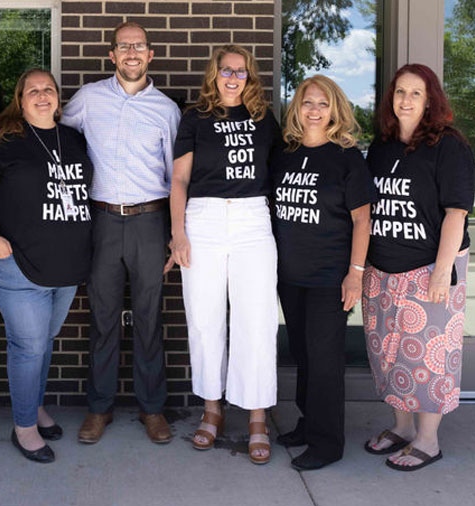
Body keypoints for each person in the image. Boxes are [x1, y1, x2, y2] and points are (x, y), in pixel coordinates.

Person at [0, 69, 94, 463]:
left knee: (42, 344)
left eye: (49, 90)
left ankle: (34, 408)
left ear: (58, 98)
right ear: (20, 100)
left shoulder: (72, 138)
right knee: (29, 346)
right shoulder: (2, 139)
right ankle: (24, 428)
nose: (42, 96)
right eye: (33, 91)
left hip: (66, 268)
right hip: (18, 266)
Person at [61, 21, 181, 445]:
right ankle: (100, 408)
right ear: (112, 55)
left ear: (150, 55)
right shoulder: (89, 99)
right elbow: (53, 133)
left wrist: (174, 233)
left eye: (139, 46)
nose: (132, 52)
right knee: (103, 318)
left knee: (150, 318)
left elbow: (176, 178)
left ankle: (152, 409)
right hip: (103, 220)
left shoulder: (166, 110)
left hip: (150, 221)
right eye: (124, 46)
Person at [168, 45, 280, 464]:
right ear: (213, 74)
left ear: (250, 77)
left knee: (257, 318)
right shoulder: (195, 117)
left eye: (241, 71)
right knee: (204, 316)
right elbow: (179, 179)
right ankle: (212, 408)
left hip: (253, 219)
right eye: (226, 70)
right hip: (205, 219)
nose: (233, 77)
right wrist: (178, 234)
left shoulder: (263, 119)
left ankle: (256, 416)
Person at [362, 63, 475, 471]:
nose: (405, 100)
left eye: (415, 93)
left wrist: (442, 271)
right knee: (388, 354)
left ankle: (428, 440)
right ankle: (403, 428)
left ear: (430, 102)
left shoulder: (448, 146)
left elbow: (456, 212)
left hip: (428, 269)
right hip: (382, 269)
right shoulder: (382, 146)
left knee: (428, 358)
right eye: (400, 92)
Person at [271, 75, 377, 470]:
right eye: (307, 102)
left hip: (330, 277)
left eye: (323, 104)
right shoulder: (284, 153)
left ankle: (327, 442)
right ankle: (308, 423)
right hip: (290, 276)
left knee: (325, 359)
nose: (314, 110)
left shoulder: (347, 158)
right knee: (302, 354)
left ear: (335, 110)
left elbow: (362, 220)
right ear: (297, 108)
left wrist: (355, 273)